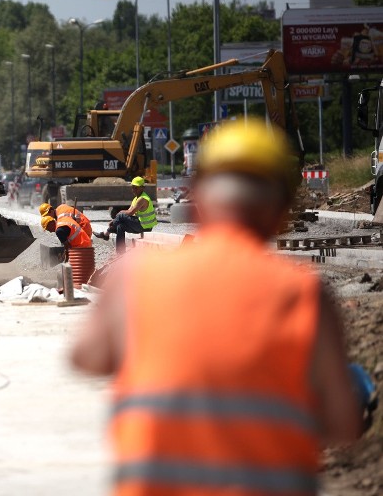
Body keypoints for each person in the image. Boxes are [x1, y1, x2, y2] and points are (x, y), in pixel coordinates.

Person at [71, 119, 362, 496]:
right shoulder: (302, 292)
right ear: (283, 210)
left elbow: (87, 358)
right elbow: (343, 424)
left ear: (200, 199)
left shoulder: (137, 276)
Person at [94, 176, 156, 254]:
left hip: (145, 226)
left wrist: (118, 215)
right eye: (133, 187)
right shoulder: (136, 198)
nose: (133, 190)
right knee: (120, 226)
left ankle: (106, 233)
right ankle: (120, 253)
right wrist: (115, 220)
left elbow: (130, 213)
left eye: (136, 188)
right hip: (140, 224)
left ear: (142, 188)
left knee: (121, 216)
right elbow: (128, 211)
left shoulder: (142, 199)